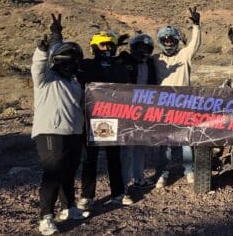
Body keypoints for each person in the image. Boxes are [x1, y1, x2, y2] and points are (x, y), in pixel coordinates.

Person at [31, 14, 88, 235]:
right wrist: (43, 50)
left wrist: (58, 36)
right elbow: (39, 65)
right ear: (57, 62)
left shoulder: (74, 84)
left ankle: (69, 207)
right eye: (65, 61)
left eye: (73, 62)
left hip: (73, 131)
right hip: (50, 131)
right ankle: (46, 217)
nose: (70, 65)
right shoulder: (46, 79)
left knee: (69, 171)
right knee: (53, 172)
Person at [77, 30, 134, 210]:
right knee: (89, 159)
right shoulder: (85, 65)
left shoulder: (120, 66)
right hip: (90, 117)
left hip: (113, 118)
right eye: (103, 45)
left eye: (110, 45)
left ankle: (118, 193)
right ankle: (87, 195)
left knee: (114, 158)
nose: (107, 48)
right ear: (95, 47)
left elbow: (129, 87)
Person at [153, 7, 202, 188]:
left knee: (186, 141)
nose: (168, 42)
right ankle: (163, 174)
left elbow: (194, 44)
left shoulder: (184, 55)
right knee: (165, 143)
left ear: (176, 41)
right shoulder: (155, 59)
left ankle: (189, 171)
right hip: (163, 106)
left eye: (171, 39)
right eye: (165, 39)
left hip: (184, 104)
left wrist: (196, 25)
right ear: (160, 41)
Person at [118, 33, 159, 188]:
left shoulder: (150, 63)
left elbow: (154, 85)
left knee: (140, 145)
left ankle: (138, 177)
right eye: (139, 47)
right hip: (127, 108)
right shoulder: (124, 59)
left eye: (145, 48)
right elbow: (112, 65)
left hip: (145, 108)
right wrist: (116, 46)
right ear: (133, 48)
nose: (142, 50)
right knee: (127, 147)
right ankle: (124, 182)